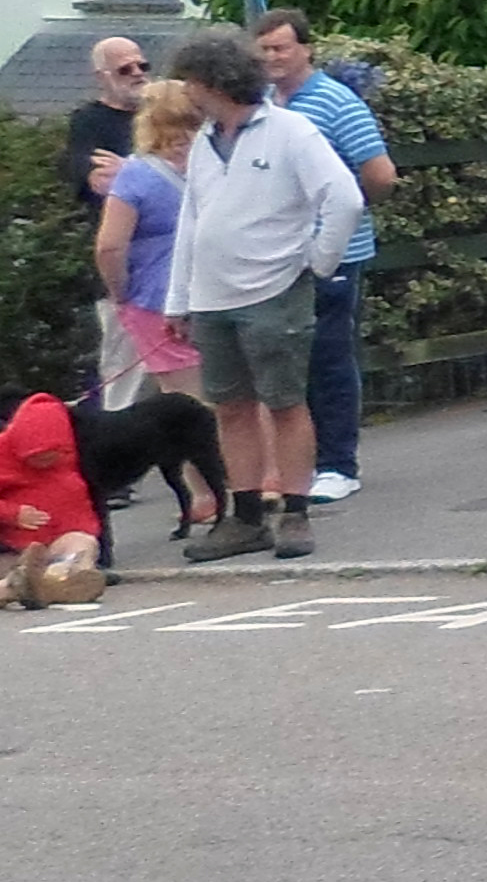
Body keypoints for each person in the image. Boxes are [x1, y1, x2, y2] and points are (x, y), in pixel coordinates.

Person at [162, 31, 360, 561]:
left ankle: (294, 513)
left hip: (274, 290)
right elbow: (192, 219)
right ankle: (246, 517)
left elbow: (344, 198)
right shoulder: (205, 139)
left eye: (190, 82)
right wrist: (178, 299)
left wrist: (316, 262)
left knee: (286, 403)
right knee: (229, 407)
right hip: (212, 296)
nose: (186, 93)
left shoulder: (291, 130)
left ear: (212, 81)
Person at [250, 8, 393, 504]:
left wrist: (341, 218)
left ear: (307, 49)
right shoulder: (263, 103)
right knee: (291, 361)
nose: (273, 57)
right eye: (264, 49)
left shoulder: (336, 101)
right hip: (278, 256)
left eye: (282, 48)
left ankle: (339, 463)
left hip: (334, 253)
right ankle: (302, 464)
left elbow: (380, 174)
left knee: (330, 356)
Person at [87, 79, 201, 425]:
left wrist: (120, 294)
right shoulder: (216, 163)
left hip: (155, 299)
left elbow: (110, 246)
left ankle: (211, 480)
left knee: (190, 411)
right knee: (237, 402)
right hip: (218, 292)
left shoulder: (135, 176)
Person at [62, 35, 148, 401]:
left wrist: (129, 170)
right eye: (125, 69)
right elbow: (88, 171)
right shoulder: (89, 121)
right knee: (124, 381)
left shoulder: (162, 113)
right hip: (126, 270)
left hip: (173, 268)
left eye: (142, 65)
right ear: (103, 76)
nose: (138, 74)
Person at [1, 391, 109, 608]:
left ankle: (53, 580)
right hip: (14, 546)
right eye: (37, 455)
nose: (47, 459)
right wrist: (13, 514)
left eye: (53, 452)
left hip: (58, 540)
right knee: (11, 564)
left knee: (85, 545)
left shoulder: (67, 463)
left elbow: (79, 502)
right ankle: (15, 585)